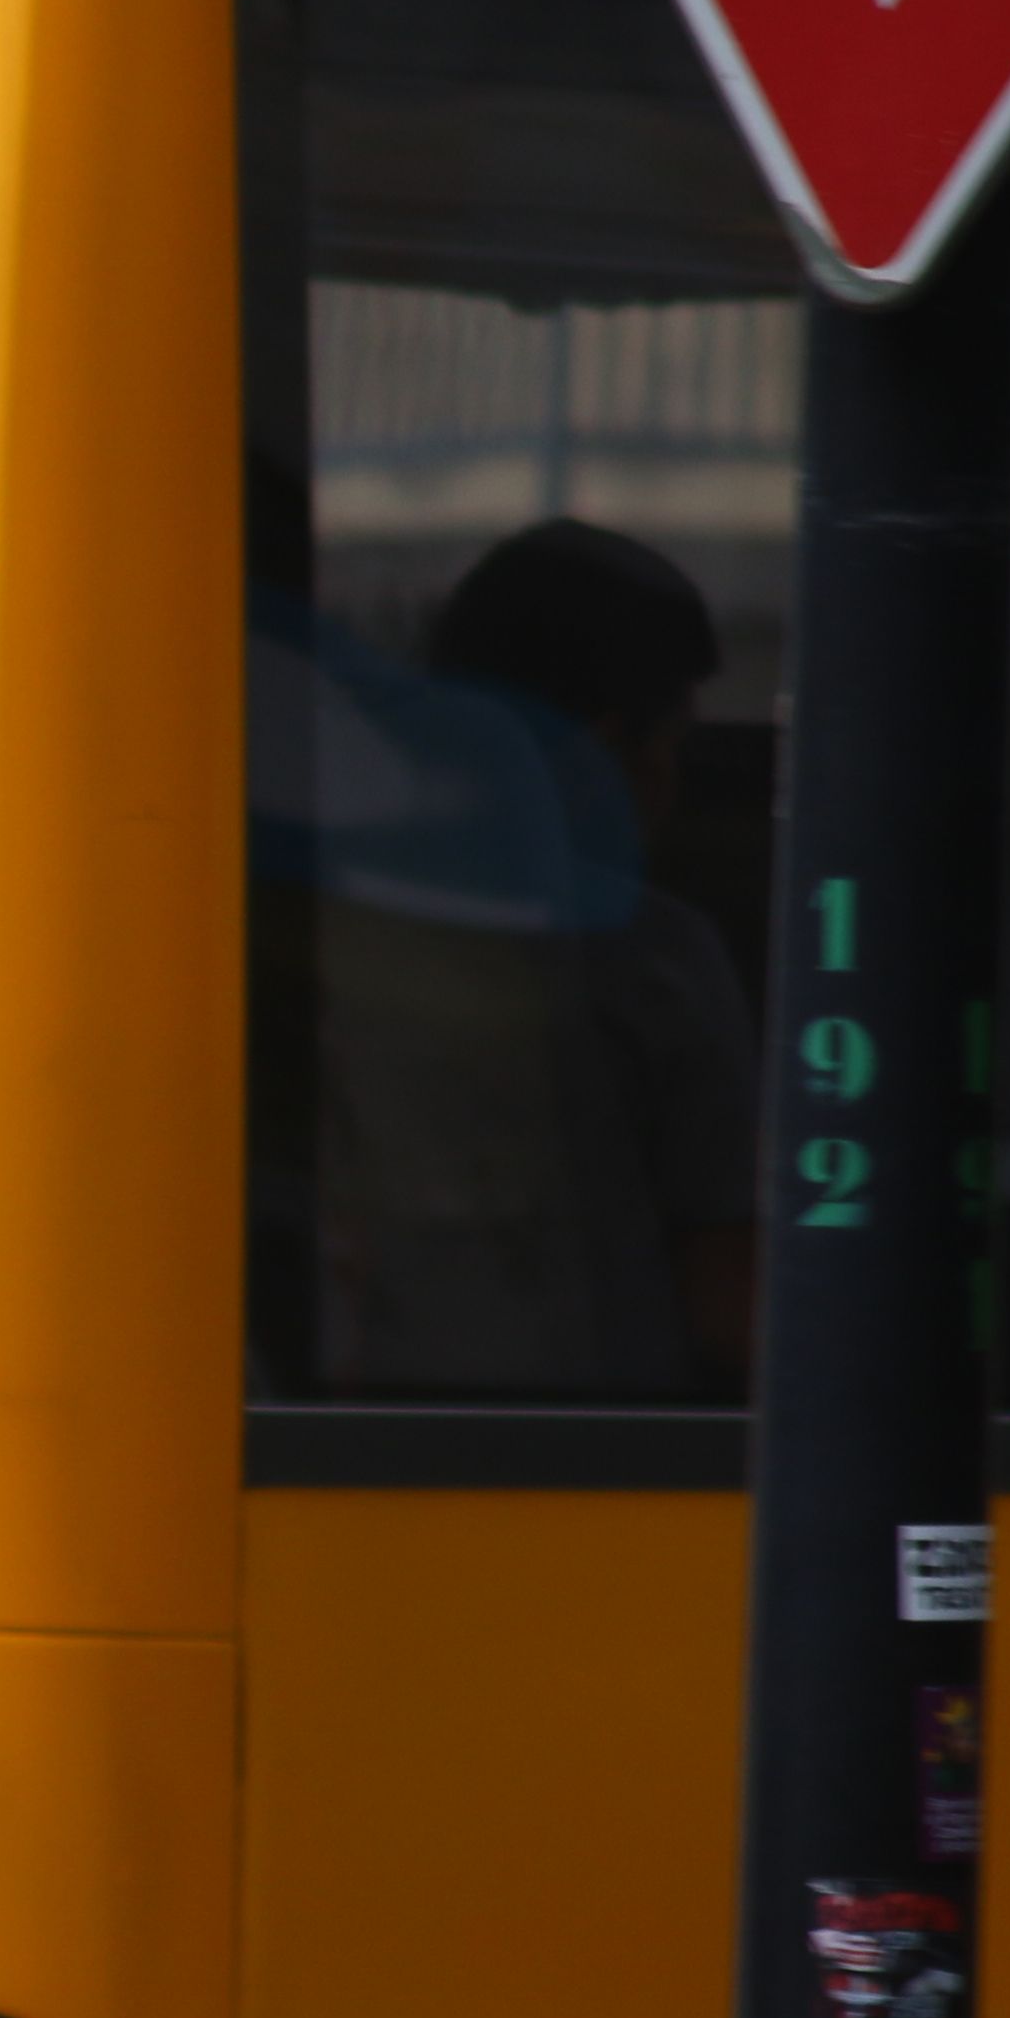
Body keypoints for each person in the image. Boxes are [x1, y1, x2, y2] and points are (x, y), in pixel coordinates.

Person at [419, 516, 762, 1398]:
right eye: (674, 740)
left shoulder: (334, 919)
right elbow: (732, 1311)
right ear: (613, 750)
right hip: (608, 1459)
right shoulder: (654, 959)